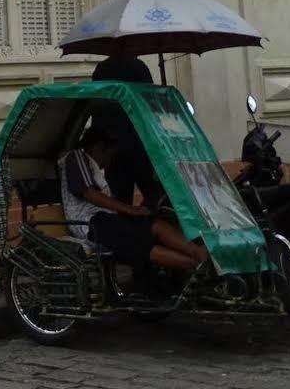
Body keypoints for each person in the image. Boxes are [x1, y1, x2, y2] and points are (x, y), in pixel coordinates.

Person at [57, 127, 210, 276]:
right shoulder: (77, 157)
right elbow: (89, 193)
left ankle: (197, 252)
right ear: (98, 147)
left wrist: (133, 212)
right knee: (140, 244)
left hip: (107, 218)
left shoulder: (91, 166)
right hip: (91, 223)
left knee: (154, 224)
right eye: (109, 155)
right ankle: (198, 265)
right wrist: (130, 210)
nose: (108, 162)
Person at [90, 55, 165, 209]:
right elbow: (147, 98)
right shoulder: (138, 66)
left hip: (113, 145)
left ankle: (127, 226)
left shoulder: (103, 68)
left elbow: (97, 102)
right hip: (139, 141)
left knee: (120, 198)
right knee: (154, 193)